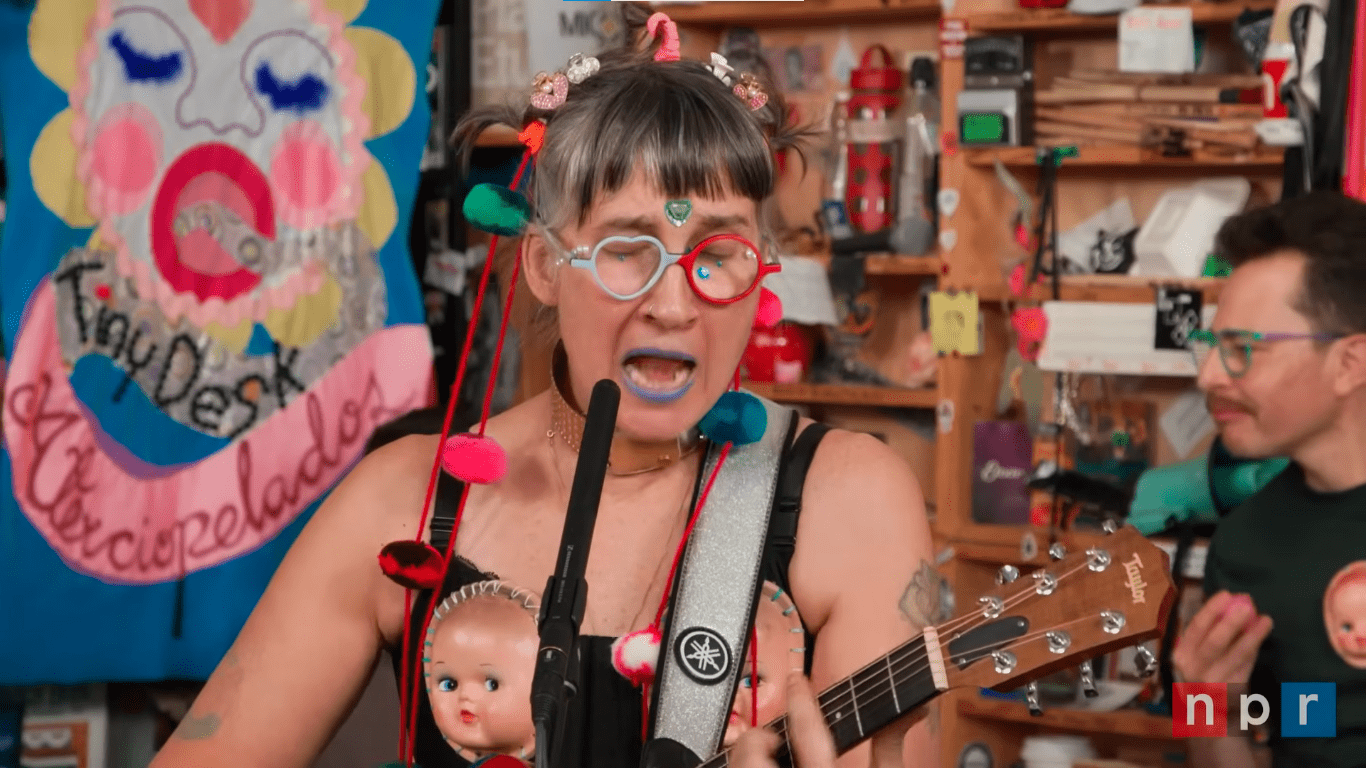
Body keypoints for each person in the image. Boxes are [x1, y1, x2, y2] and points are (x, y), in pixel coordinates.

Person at [147, 11, 939, 768]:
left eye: (716, 253)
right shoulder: (406, 503)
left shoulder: (849, 503)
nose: (673, 304)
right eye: (627, 249)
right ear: (544, 266)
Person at [1172, 190, 1366, 768]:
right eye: (1211, 346)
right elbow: (1306, 728)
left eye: (1241, 349)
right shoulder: (1246, 547)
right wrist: (1203, 704)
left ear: (1349, 364)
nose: (1209, 376)